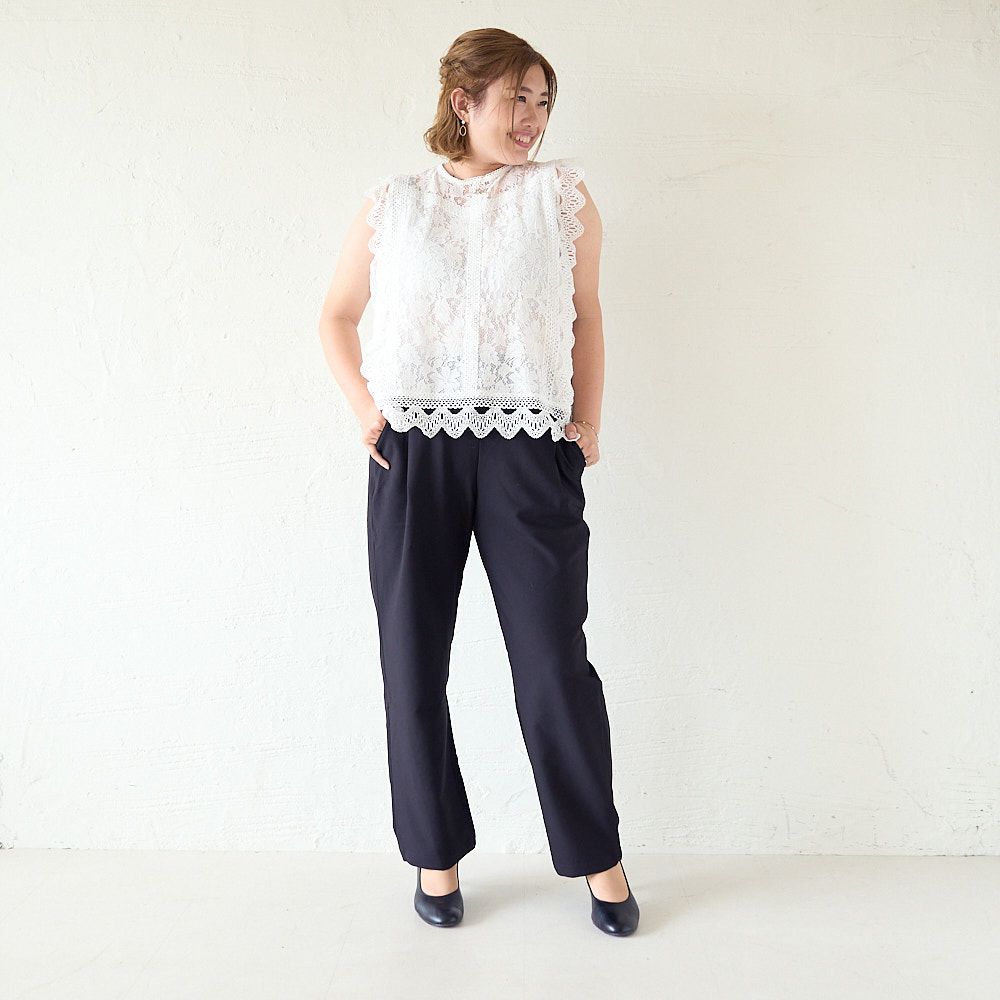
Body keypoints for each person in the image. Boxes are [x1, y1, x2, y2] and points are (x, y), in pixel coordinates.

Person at [317, 28, 639, 937]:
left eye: (544, 102)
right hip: (411, 448)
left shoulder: (562, 197)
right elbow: (336, 316)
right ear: (464, 101)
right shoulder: (394, 203)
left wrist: (586, 424)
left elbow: (585, 316)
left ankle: (599, 858)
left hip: (528, 446)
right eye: (516, 99)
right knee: (412, 658)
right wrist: (366, 411)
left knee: (552, 664)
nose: (533, 118)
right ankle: (435, 855)